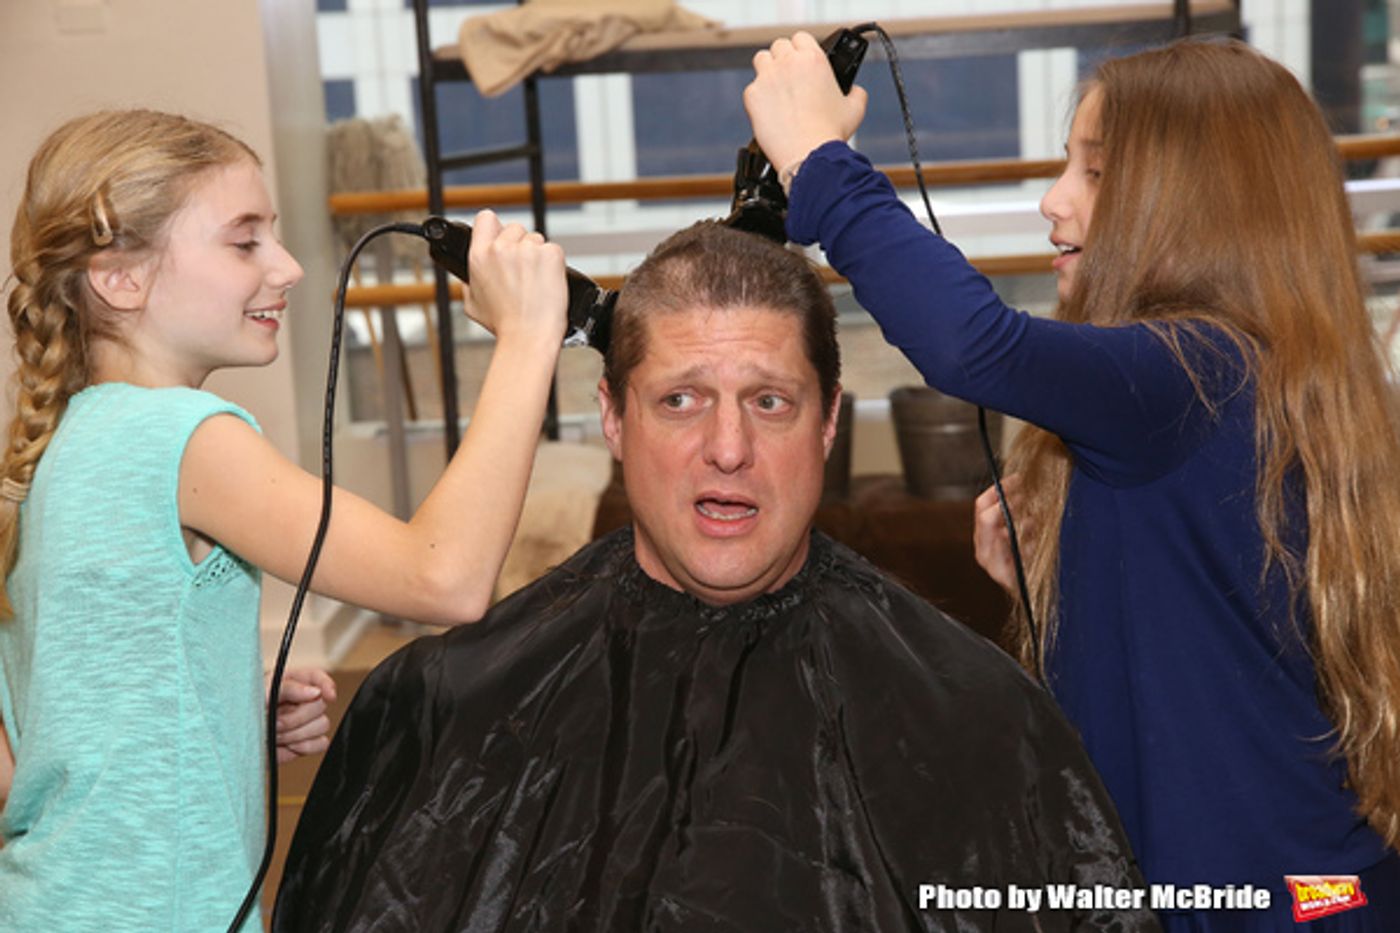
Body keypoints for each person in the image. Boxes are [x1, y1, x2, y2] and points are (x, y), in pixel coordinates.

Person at [273, 221, 1157, 933]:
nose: (727, 449)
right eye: (681, 400)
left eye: (769, 402)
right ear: (613, 419)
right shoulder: (449, 711)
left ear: (828, 424)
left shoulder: (976, 719)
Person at [743, 32, 1400, 931]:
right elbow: (1202, 657)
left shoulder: (1194, 371)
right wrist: (1065, 587)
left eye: (1092, 175)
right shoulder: (1255, 377)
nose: (1054, 203)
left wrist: (822, 166)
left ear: (1190, 206)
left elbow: (973, 343)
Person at [0, 109, 566, 931]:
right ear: (119, 277)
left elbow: (26, 761)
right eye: (245, 241)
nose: (291, 267)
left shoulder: (66, 440)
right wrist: (528, 337)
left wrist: (213, 713)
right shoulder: (185, 440)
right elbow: (445, 573)